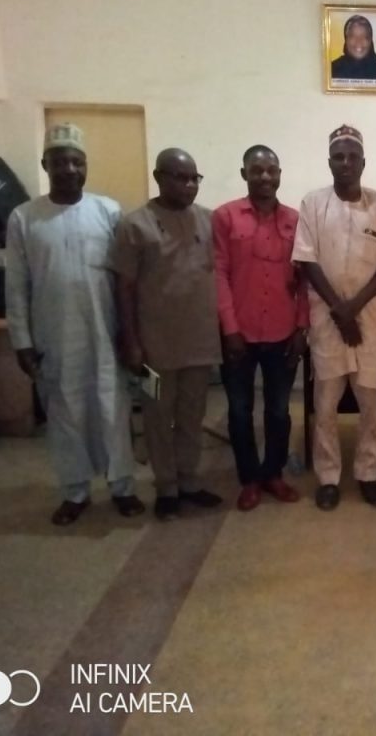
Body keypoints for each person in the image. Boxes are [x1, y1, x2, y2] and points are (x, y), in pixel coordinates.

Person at [5, 123, 144, 525]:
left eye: (76, 162)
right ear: (45, 165)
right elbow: (16, 284)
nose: (69, 169)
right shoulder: (24, 218)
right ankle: (75, 492)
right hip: (54, 335)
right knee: (65, 414)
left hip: (105, 331)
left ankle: (122, 487)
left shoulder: (108, 211)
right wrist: (21, 341)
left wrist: (131, 334)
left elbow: (126, 279)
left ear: (85, 166)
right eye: (60, 162)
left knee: (112, 409)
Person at [293, 125, 376, 510]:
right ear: (329, 162)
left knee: (372, 405)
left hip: (371, 323)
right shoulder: (313, 203)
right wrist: (339, 311)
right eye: (338, 157)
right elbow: (306, 259)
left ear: (363, 162)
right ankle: (328, 477)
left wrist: (352, 308)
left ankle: (368, 474)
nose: (345, 163)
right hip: (327, 323)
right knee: (325, 406)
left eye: (352, 156)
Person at [111, 148, 223, 522]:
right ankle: (166, 488)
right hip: (153, 348)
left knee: (192, 416)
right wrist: (131, 341)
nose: (189, 185)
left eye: (194, 178)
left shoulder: (208, 220)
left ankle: (189, 481)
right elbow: (124, 287)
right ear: (159, 177)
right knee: (157, 419)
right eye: (180, 177)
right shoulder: (135, 225)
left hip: (199, 343)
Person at [213, 145, 309, 512]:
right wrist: (229, 328)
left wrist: (301, 327)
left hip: (283, 332)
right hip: (239, 334)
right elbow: (219, 274)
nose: (265, 177)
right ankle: (249, 479)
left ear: (280, 174)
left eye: (271, 170)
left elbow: (304, 280)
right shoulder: (225, 217)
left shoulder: (295, 220)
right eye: (257, 170)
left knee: (279, 411)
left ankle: (273, 473)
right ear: (244, 175)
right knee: (240, 411)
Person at [330, 15, 376, 81]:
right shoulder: (332, 70)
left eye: (364, 37)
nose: (358, 41)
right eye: (353, 36)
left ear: (370, 41)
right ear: (346, 40)